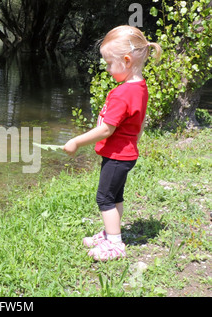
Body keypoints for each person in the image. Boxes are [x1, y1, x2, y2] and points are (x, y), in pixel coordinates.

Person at [63, 25, 162, 261]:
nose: (107, 69)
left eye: (109, 63)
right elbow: (140, 122)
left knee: (104, 198)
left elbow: (106, 129)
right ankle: (109, 233)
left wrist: (76, 142)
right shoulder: (140, 87)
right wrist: (134, 143)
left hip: (118, 156)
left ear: (127, 61)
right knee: (116, 196)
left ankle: (115, 244)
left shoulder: (122, 94)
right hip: (126, 155)